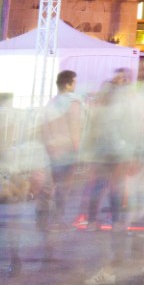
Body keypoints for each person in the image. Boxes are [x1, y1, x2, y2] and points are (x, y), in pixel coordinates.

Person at [38, 70, 85, 234]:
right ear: (68, 84)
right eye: (74, 83)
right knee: (64, 187)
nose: (75, 86)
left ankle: (42, 218)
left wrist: (48, 144)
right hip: (67, 149)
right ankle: (58, 219)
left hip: (52, 148)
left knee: (50, 185)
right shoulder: (73, 103)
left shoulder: (51, 103)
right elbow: (75, 128)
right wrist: (78, 149)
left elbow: (43, 127)